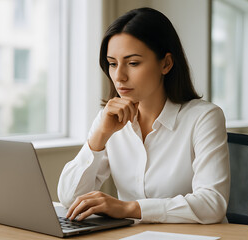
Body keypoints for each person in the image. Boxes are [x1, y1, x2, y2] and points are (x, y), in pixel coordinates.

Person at [57, 7, 230, 224]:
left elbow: (212, 204)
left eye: (133, 63)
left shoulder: (204, 117)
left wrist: (129, 208)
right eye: (112, 63)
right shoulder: (108, 119)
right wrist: (99, 136)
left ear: (166, 63)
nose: (119, 76)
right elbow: (69, 198)